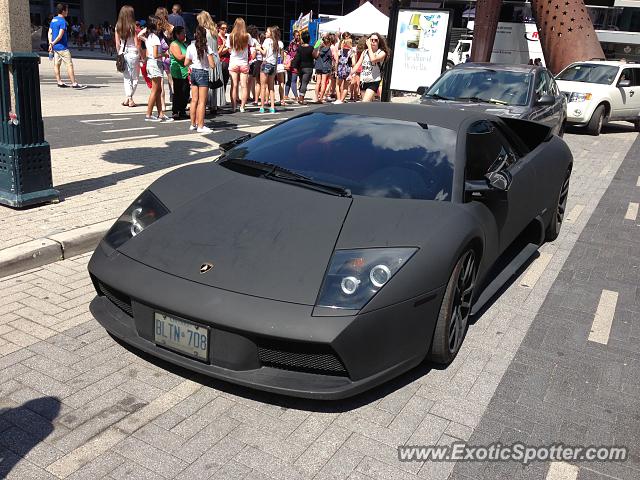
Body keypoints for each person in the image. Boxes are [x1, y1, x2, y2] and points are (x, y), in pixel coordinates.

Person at [141, 16, 172, 122]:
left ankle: (160, 114)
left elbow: (139, 35)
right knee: (155, 90)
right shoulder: (154, 38)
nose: (160, 26)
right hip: (155, 64)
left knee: (158, 90)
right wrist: (165, 54)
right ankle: (148, 114)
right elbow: (155, 54)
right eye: (159, 24)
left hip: (153, 64)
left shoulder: (150, 36)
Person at [48, 3, 86, 89]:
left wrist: (51, 43)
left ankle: (59, 81)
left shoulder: (53, 20)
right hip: (62, 47)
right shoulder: (62, 21)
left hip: (55, 48)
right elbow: (60, 36)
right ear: (63, 11)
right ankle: (74, 83)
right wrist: (53, 43)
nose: (68, 12)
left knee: (56, 65)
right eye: (67, 10)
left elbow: (49, 32)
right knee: (69, 64)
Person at [185, 25, 215, 133]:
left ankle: (193, 123)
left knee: (194, 100)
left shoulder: (190, 47)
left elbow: (185, 63)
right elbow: (212, 65)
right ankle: (201, 126)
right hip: (203, 72)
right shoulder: (207, 47)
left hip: (193, 72)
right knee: (202, 102)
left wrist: (194, 62)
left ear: (195, 35)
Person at [197, 10, 225, 113]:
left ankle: (207, 103)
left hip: (208, 58)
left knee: (207, 82)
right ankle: (215, 105)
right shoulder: (214, 30)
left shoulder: (203, 31)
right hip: (216, 58)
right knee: (215, 82)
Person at [226, 18, 256, 112]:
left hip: (234, 62)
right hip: (244, 63)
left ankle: (234, 106)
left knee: (234, 85)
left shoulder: (231, 36)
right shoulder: (247, 36)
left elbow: (229, 49)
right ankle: (242, 106)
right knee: (244, 85)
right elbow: (253, 45)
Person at [351, 32, 389, 102]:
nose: (373, 42)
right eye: (371, 40)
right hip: (363, 80)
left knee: (364, 102)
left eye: (376, 40)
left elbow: (373, 60)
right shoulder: (365, 52)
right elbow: (358, 64)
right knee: (367, 104)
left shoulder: (382, 52)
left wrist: (369, 47)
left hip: (374, 81)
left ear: (379, 41)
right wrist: (351, 74)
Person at [115, 5, 140, 107]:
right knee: (135, 78)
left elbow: (117, 43)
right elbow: (136, 43)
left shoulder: (118, 26)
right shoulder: (133, 26)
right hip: (133, 53)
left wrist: (119, 53)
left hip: (123, 52)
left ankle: (127, 98)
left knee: (126, 78)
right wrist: (141, 55)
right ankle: (130, 98)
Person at [257, 26, 282, 113]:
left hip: (266, 63)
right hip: (273, 65)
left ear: (271, 33)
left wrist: (258, 48)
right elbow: (277, 56)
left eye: (267, 32)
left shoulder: (267, 41)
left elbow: (264, 53)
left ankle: (262, 106)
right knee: (271, 87)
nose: (266, 33)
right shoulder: (276, 42)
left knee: (263, 86)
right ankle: (272, 107)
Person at [169, 26, 189, 119]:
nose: (184, 35)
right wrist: (189, 54)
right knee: (178, 91)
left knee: (185, 92)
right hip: (177, 71)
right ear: (177, 34)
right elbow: (179, 57)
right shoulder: (174, 44)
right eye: (182, 33)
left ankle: (182, 110)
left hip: (185, 70)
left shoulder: (184, 44)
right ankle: (175, 111)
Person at [290, 30, 314, 105]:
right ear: (309, 39)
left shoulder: (300, 48)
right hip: (308, 67)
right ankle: (301, 99)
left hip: (301, 67)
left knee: (301, 82)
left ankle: (300, 97)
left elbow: (297, 57)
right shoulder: (311, 48)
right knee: (304, 83)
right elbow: (315, 56)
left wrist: (294, 65)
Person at [313, 34, 333, 103]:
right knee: (323, 82)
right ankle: (321, 98)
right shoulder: (328, 49)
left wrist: (318, 47)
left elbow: (315, 56)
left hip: (318, 65)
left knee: (318, 82)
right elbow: (330, 57)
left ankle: (316, 97)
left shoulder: (319, 48)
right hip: (325, 66)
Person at [284, 29, 301, 102]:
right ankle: (296, 96)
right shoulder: (293, 44)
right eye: (297, 35)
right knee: (293, 80)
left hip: (293, 63)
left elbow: (287, 52)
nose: (298, 36)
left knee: (290, 80)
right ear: (294, 36)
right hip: (293, 63)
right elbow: (289, 52)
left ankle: (286, 95)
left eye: (299, 35)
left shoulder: (297, 43)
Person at [335, 38, 353, 104]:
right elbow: (353, 63)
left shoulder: (340, 51)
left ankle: (338, 99)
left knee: (337, 85)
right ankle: (342, 100)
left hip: (340, 68)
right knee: (346, 86)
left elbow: (337, 61)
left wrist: (335, 70)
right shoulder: (351, 52)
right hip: (347, 69)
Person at [217, 21, 230, 93]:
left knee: (225, 81)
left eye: (226, 28)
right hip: (221, 62)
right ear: (219, 29)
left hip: (228, 62)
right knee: (221, 81)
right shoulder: (218, 38)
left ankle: (223, 99)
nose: (225, 30)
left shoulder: (227, 37)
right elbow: (220, 53)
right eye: (223, 28)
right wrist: (227, 47)